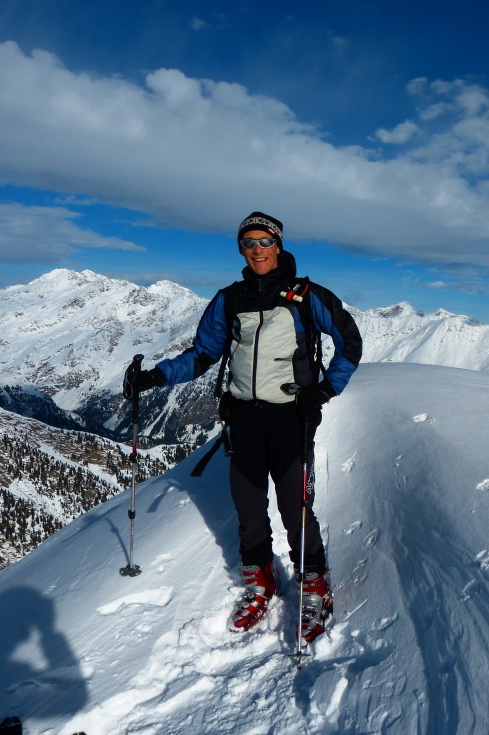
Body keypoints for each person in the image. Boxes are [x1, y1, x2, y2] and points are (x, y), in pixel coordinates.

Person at [123, 211, 361, 641]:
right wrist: (154, 377)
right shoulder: (230, 299)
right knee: (249, 510)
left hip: (292, 418)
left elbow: (351, 343)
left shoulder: (307, 297)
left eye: (264, 242)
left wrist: (322, 392)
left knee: (296, 508)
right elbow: (202, 354)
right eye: (247, 243)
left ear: (279, 245)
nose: (256, 250)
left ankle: (314, 586)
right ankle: (260, 581)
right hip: (244, 419)